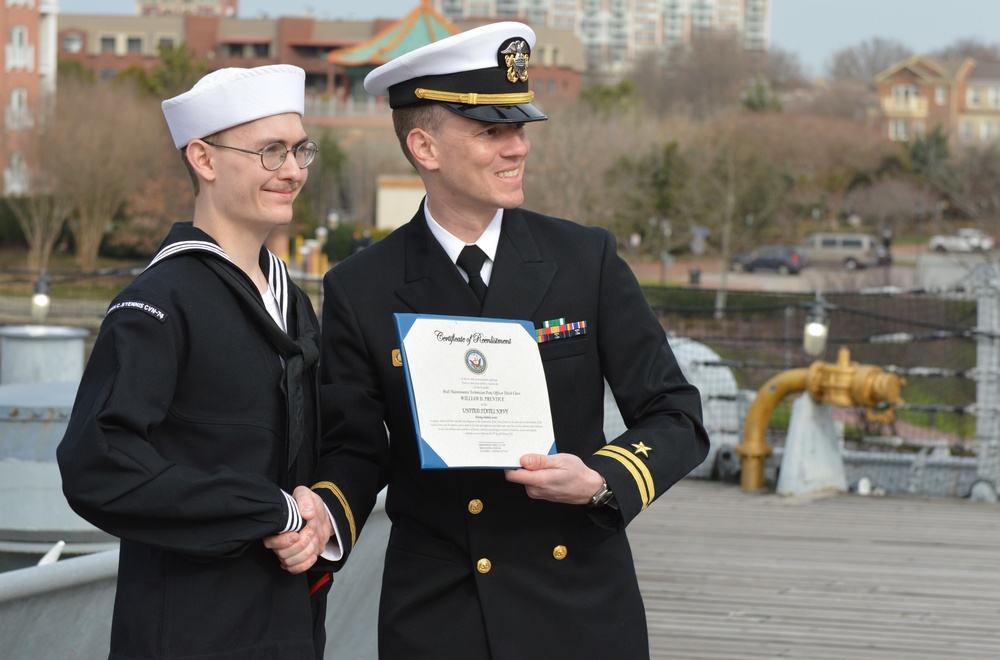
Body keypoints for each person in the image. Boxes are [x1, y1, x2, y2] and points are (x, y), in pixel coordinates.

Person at [310, 22, 710, 659]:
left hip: (575, 604)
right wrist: (324, 515)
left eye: (520, 128)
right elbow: (354, 449)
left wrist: (603, 478)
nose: (517, 147)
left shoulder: (586, 260)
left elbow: (676, 416)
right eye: (491, 131)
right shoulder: (362, 288)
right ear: (424, 146)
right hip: (442, 612)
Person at [57, 65, 337, 660]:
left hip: (290, 624)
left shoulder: (292, 302)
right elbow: (98, 463)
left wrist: (320, 514)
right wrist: (268, 509)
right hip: (188, 628)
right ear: (204, 160)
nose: (293, 171)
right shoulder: (160, 301)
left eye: (299, 150)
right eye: (270, 151)